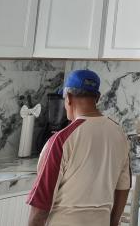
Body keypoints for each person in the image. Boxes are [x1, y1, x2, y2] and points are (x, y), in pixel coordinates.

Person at [27, 70, 131, 226]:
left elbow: (41, 205)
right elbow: (124, 186)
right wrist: (114, 222)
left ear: (68, 98)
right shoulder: (119, 134)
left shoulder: (61, 140)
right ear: (97, 97)